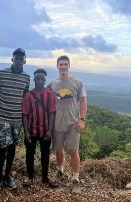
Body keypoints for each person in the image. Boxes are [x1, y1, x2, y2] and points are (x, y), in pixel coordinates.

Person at [0, 48, 30, 189]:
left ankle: (7, 176)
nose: (19, 60)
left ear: (24, 60)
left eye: (21, 58)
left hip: (17, 119)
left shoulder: (26, 77)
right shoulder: (1, 74)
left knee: (12, 147)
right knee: (3, 147)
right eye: (16, 58)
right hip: (2, 116)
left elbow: (25, 97)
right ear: (12, 59)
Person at [47, 55, 87, 187]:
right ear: (57, 66)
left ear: (69, 66)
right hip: (57, 123)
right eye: (61, 64)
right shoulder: (52, 84)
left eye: (65, 64)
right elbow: (46, 101)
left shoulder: (77, 83)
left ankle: (75, 176)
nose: (63, 67)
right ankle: (60, 170)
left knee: (74, 150)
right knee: (58, 150)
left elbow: (83, 100)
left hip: (73, 123)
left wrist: (82, 119)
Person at [22, 69, 58, 188]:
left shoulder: (50, 94)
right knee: (29, 154)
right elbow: (25, 114)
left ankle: (45, 176)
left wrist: (50, 130)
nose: (40, 81)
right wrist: (26, 132)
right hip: (31, 130)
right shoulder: (28, 95)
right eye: (38, 78)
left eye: (42, 79)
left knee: (45, 155)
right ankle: (30, 176)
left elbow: (52, 113)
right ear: (34, 79)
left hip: (45, 131)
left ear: (44, 80)